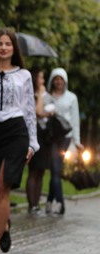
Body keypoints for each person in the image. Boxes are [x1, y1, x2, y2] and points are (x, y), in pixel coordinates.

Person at [0, 28, 39, 254]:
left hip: (16, 131)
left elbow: (29, 110)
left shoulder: (24, 75)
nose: (3, 47)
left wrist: (32, 143)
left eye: (8, 44)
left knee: (2, 186)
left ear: (14, 49)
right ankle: (4, 225)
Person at [45, 67, 82, 216]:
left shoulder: (72, 98)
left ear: (65, 81)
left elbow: (75, 120)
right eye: (56, 79)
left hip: (65, 137)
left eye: (61, 79)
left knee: (55, 168)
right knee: (55, 169)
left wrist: (77, 141)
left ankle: (57, 202)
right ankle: (52, 201)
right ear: (52, 81)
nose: (58, 81)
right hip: (52, 136)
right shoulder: (47, 97)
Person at [25, 67, 49, 214]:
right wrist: (40, 94)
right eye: (41, 78)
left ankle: (37, 203)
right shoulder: (31, 94)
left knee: (41, 171)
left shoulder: (44, 95)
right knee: (33, 170)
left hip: (44, 137)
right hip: (34, 135)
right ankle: (31, 204)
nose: (43, 81)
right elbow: (38, 112)